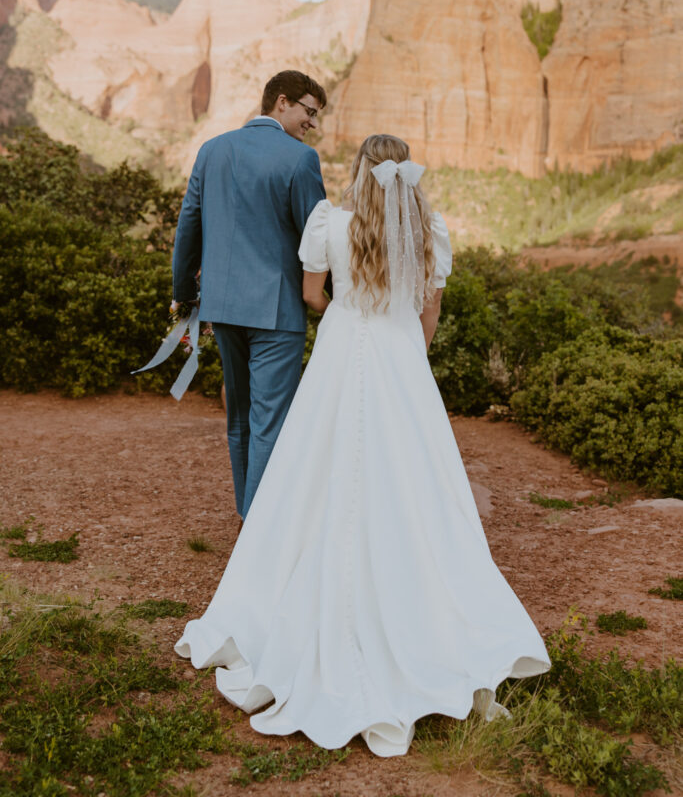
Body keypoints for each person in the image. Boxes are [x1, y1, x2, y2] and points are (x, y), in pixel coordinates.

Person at [175, 133, 550, 757]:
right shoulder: (429, 230)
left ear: (358, 170)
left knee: (316, 474)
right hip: (402, 361)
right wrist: (407, 347)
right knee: (415, 481)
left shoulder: (332, 222)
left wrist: (348, 313)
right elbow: (429, 312)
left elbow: (311, 294)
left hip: (342, 355)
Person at [172, 69, 327, 520]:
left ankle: (248, 516)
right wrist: (343, 299)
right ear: (282, 102)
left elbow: (189, 227)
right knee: (270, 423)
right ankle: (261, 534)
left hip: (221, 307)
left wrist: (185, 296)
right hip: (276, 312)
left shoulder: (212, 149)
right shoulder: (301, 160)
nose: (311, 123)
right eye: (309, 112)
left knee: (238, 416)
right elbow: (314, 240)